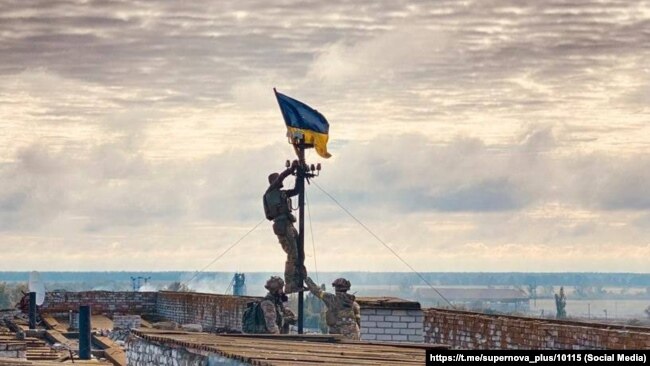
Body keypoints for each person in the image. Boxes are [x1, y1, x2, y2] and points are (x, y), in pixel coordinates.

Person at [263, 160, 306, 293]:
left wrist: (299, 174)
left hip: (289, 224)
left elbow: (297, 190)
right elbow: (281, 178)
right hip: (282, 225)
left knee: (300, 253)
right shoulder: (270, 192)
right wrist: (291, 169)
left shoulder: (282, 194)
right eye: (277, 179)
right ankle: (289, 284)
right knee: (292, 255)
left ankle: (299, 280)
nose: (280, 181)